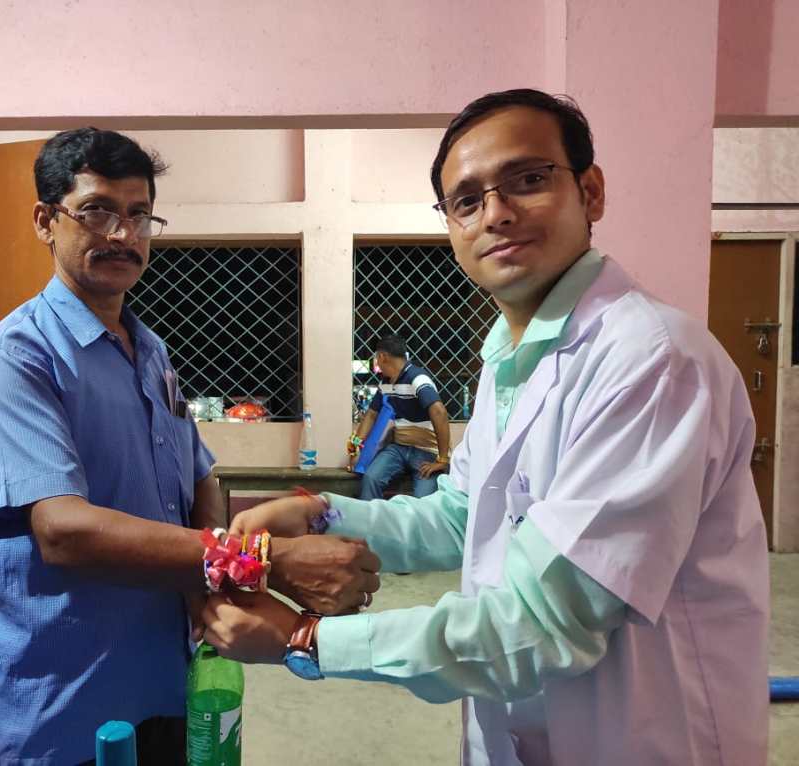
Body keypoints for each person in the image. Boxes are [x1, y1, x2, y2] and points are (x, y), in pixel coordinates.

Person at [200, 90, 770, 765]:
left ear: (590, 192)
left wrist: (306, 638)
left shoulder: (650, 361)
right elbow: (463, 516)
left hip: (643, 741)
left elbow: (547, 625)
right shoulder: (510, 357)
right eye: (467, 200)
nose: (495, 213)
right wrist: (325, 512)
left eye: (527, 180)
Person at [0, 128, 379, 764]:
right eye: (96, 211)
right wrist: (262, 560)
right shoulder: (10, 360)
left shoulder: (150, 352)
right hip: (70, 701)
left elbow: (199, 475)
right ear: (46, 221)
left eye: (138, 214)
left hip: (171, 676)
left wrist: (213, 588)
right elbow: (63, 530)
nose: (123, 234)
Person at [349, 333, 451, 499]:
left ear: (382, 357)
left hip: (427, 452)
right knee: (371, 479)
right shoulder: (386, 383)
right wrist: (354, 450)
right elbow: (371, 415)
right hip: (399, 448)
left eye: (376, 358)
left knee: (422, 501)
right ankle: (371, 516)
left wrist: (443, 459)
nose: (377, 363)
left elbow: (439, 412)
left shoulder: (417, 378)